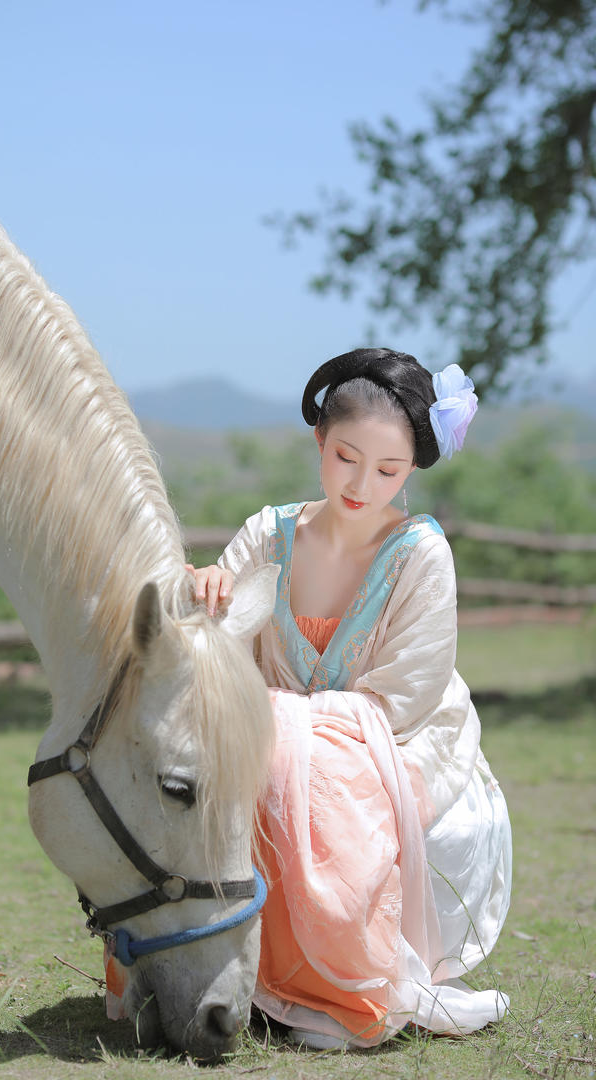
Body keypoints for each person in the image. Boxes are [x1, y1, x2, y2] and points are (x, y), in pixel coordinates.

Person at [189, 347, 512, 1049]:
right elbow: (216, 644)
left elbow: (402, 700)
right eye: (346, 458)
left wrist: (284, 726)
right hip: (280, 737)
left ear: (414, 470)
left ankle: (342, 986)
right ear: (319, 442)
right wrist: (209, 588)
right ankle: (239, 974)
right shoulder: (269, 534)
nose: (364, 484)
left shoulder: (421, 553)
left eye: (390, 471)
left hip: (392, 744)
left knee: (318, 786)